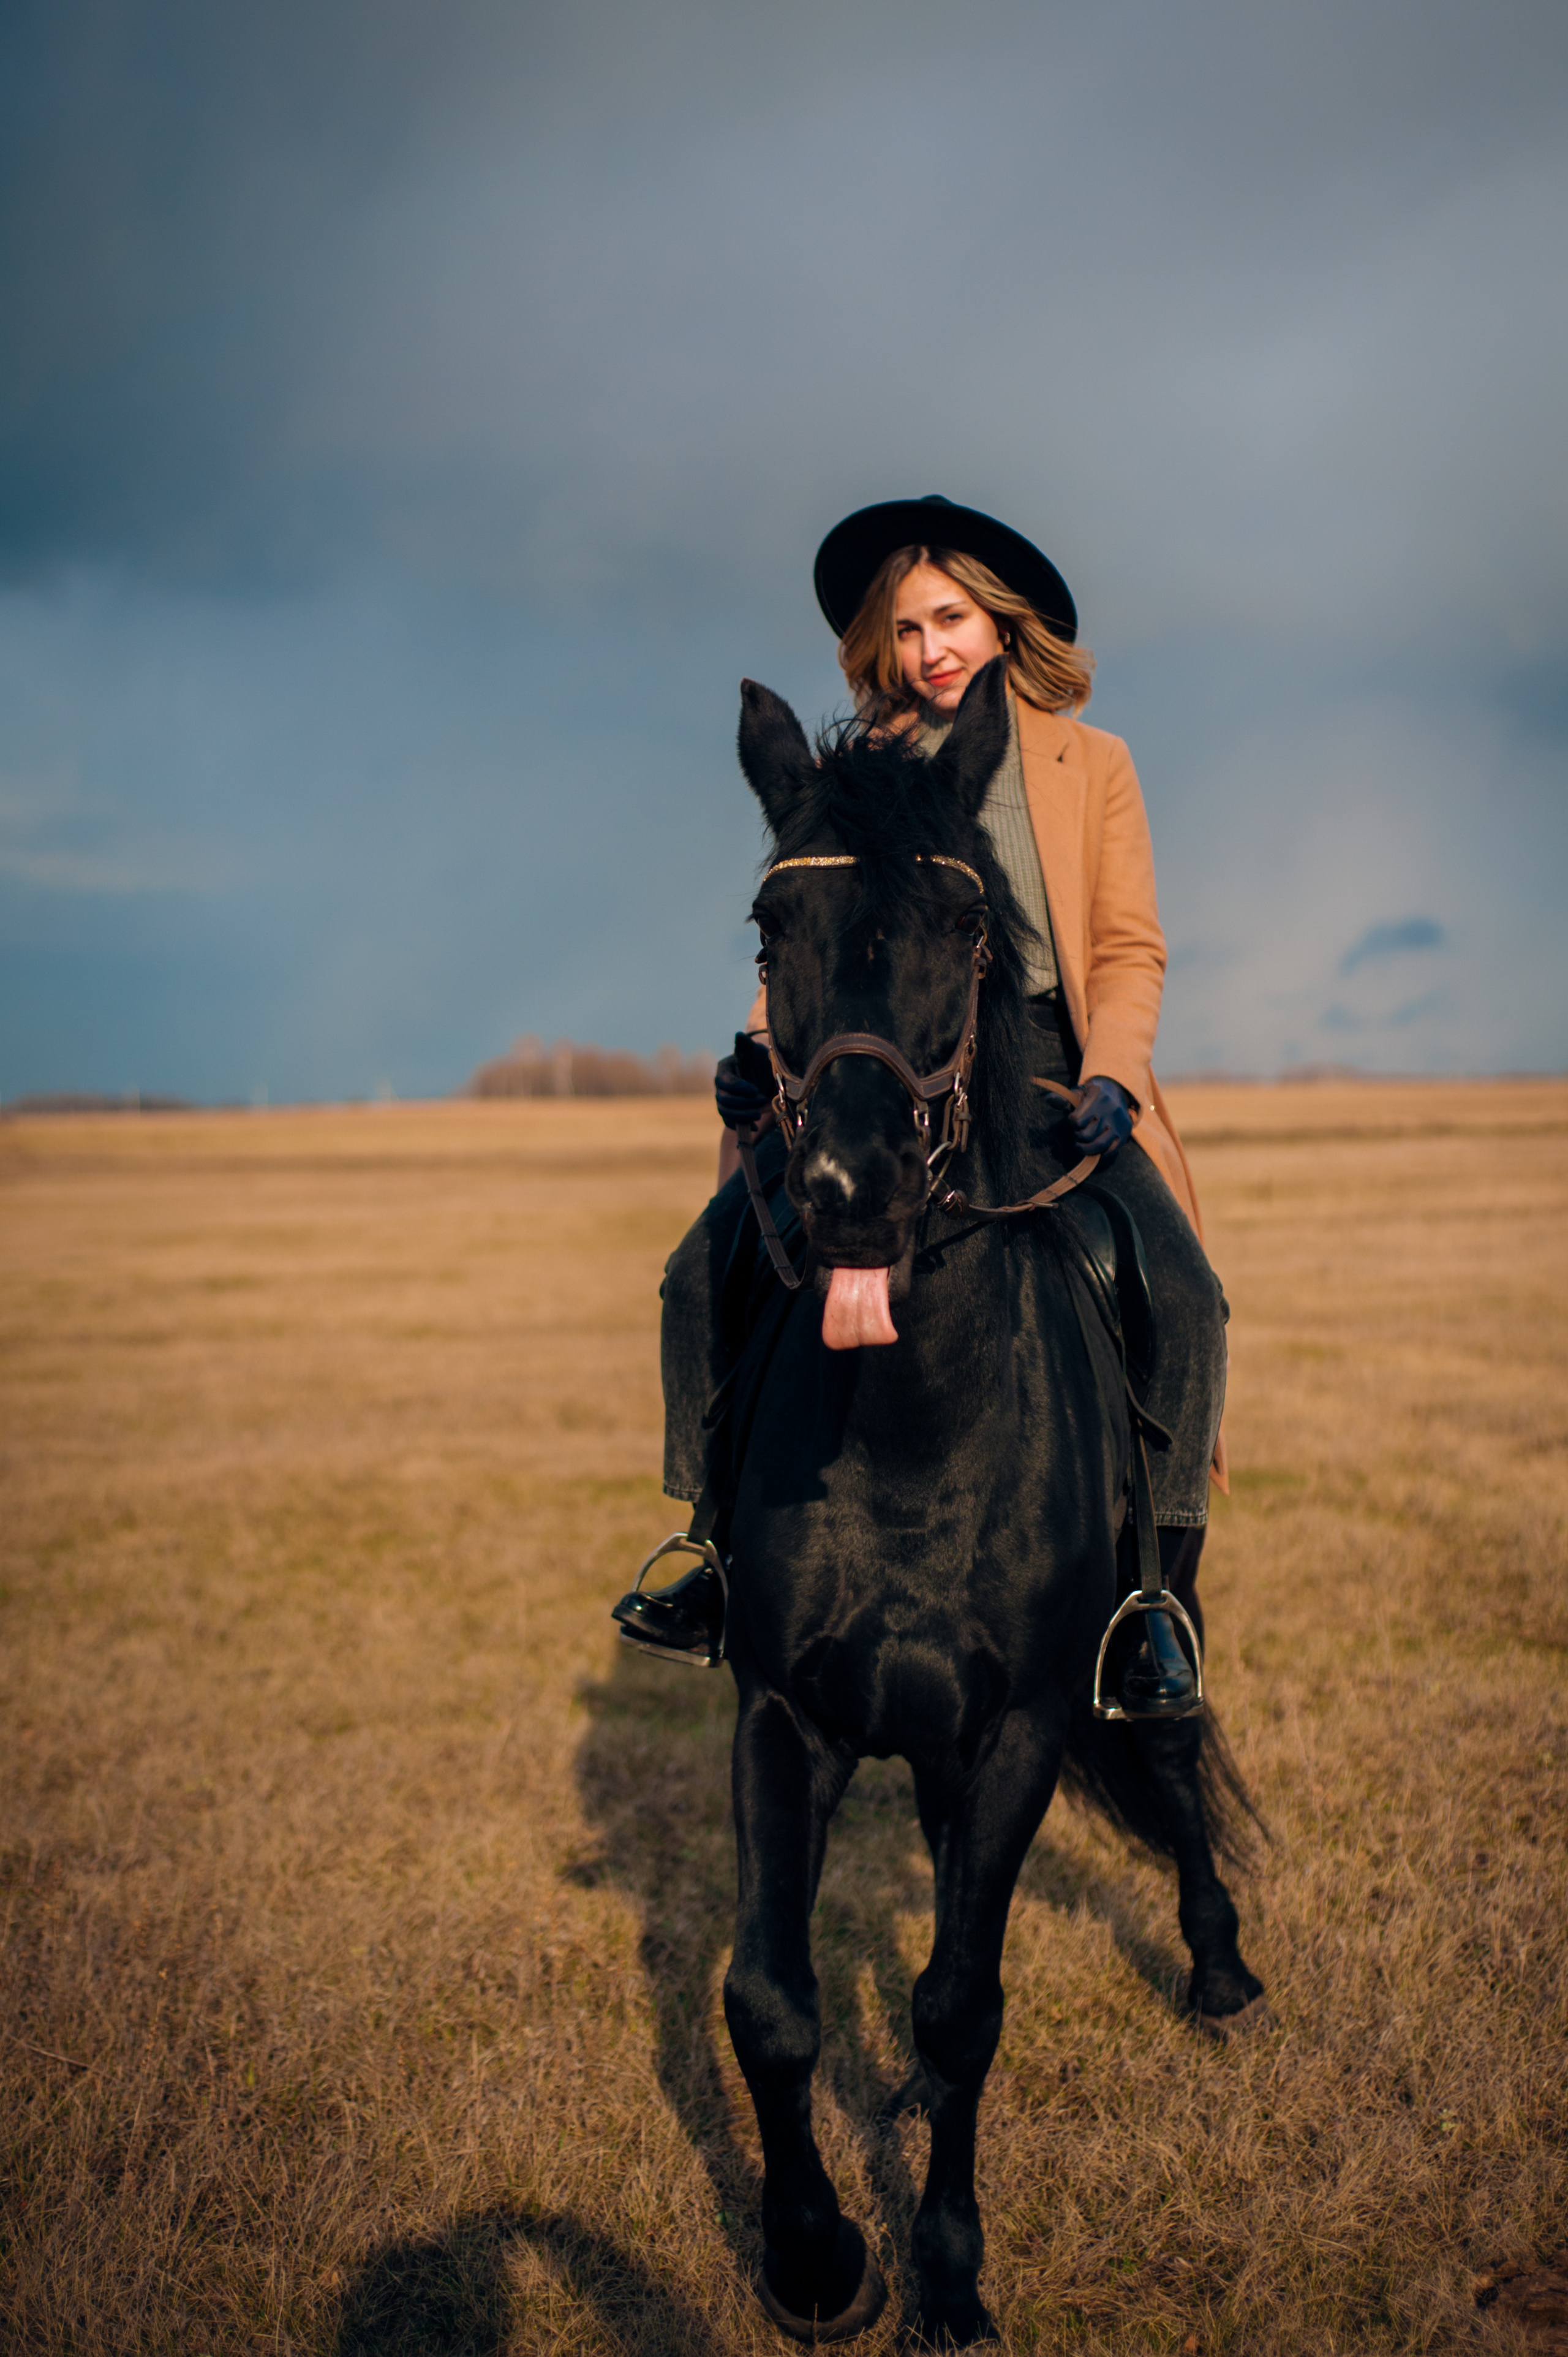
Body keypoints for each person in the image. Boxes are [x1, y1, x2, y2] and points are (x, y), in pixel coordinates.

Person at [613, 496, 1227, 1714]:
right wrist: (750, 1060)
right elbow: (805, 942)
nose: (928, 647)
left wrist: (1109, 1076)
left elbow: (1128, 947)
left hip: (1053, 1074)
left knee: (1190, 1298)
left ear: (1001, 627)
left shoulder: (1089, 762)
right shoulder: (863, 773)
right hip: (885, 1077)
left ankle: (1151, 1599)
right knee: (698, 1273)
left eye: (949, 619)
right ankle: (713, 1552)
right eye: (904, 628)